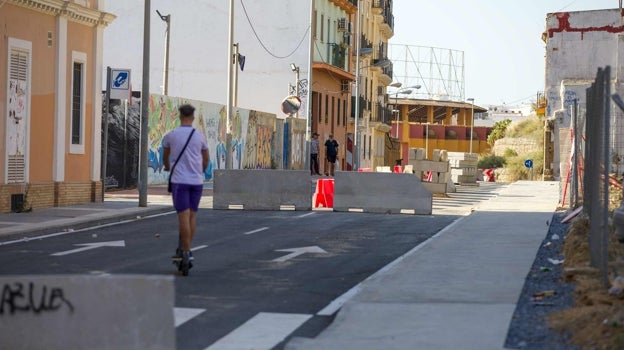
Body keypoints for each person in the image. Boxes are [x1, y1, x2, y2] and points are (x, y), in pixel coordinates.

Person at [162, 104, 209, 274]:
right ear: (193, 117)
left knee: (183, 215)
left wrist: (168, 167)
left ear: (179, 116)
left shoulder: (171, 136)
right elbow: (206, 159)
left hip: (180, 182)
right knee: (192, 216)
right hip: (196, 182)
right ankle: (187, 249)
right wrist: (200, 171)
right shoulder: (199, 136)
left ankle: (186, 250)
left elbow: (165, 158)